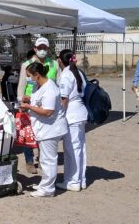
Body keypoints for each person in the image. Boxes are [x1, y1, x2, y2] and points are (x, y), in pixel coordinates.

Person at [20, 62, 68, 197]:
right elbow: (39, 100)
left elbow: (48, 111)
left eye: (29, 76)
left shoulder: (50, 89)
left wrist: (29, 107)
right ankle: (44, 184)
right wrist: (29, 99)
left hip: (51, 129)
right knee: (45, 160)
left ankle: (48, 189)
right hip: (43, 128)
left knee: (48, 160)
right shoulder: (39, 85)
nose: (28, 78)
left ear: (37, 75)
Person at [17, 38, 59, 174]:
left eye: (45, 48)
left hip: (46, 103)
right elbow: (22, 85)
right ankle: (29, 161)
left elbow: (58, 83)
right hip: (29, 102)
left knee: (45, 131)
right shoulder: (27, 65)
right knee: (28, 132)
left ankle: (42, 158)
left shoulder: (54, 64)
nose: (42, 50)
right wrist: (20, 102)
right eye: (39, 47)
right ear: (35, 48)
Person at [57, 49, 87, 191]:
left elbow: (64, 99)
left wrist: (60, 116)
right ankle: (80, 179)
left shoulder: (66, 75)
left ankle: (73, 181)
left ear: (59, 60)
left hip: (71, 114)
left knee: (71, 149)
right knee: (80, 148)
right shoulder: (78, 72)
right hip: (80, 112)